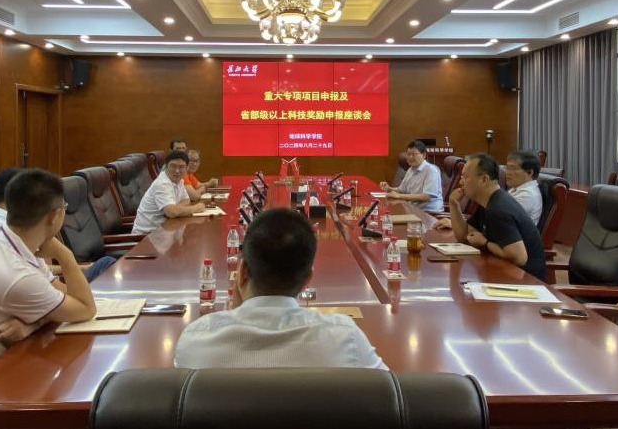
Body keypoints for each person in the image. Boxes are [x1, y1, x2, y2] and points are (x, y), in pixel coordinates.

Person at [0, 169, 97, 392]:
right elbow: (85, 309)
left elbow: (65, 296)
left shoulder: (10, 244)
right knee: (80, 388)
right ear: (55, 216)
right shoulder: (16, 272)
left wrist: (31, 325)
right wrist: (65, 255)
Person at [174, 208, 388, 369]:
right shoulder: (343, 337)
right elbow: (392, 398)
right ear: (307, 279)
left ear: (243, 271)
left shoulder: (197, 338)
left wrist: (236, 313)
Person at [0, 167, 116, 283]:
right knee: (106, 265)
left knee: (106, 264)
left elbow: (40, 268)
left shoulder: (16, 223)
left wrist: (78, 267)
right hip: (33, 292)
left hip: (44, 285)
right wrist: (66, 258)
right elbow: (27, 274)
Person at [434, 153, 546, 280]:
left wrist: (485, 243)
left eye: (465, 177)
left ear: (484, 180)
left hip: (526, 281)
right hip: (503, 271)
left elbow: (519, 257)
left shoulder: (499, 209)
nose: (461, 182)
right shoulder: (488, 202)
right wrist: (454, 204)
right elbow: (464, 236)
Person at [132, 150, 206, 234]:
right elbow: (171, 212)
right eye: (173, 166)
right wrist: (196, 208)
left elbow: (186, 200)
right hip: (146, 236)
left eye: (181, 167)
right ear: (166, 166)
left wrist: (176, 209)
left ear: (186, 168)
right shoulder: (162, 183)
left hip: (164, 230)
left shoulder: (179, 180)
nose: (177, 171)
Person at [378, 140, 443, 213]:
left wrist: (399, 196)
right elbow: (401, 190)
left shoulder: (431, 170)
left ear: (424, 155)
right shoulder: (410, 170)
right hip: (412, 209)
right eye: (408, 154)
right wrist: (389, 188)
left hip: (428, 212)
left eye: (414, 154)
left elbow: (426, 196)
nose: (410, 157)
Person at [504, 150, 543, 224]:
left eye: (512, 168)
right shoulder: (517, 188)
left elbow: (500, 216)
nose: (507, 172)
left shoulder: (528, 195)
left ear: (529, 172)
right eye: (507, 168)